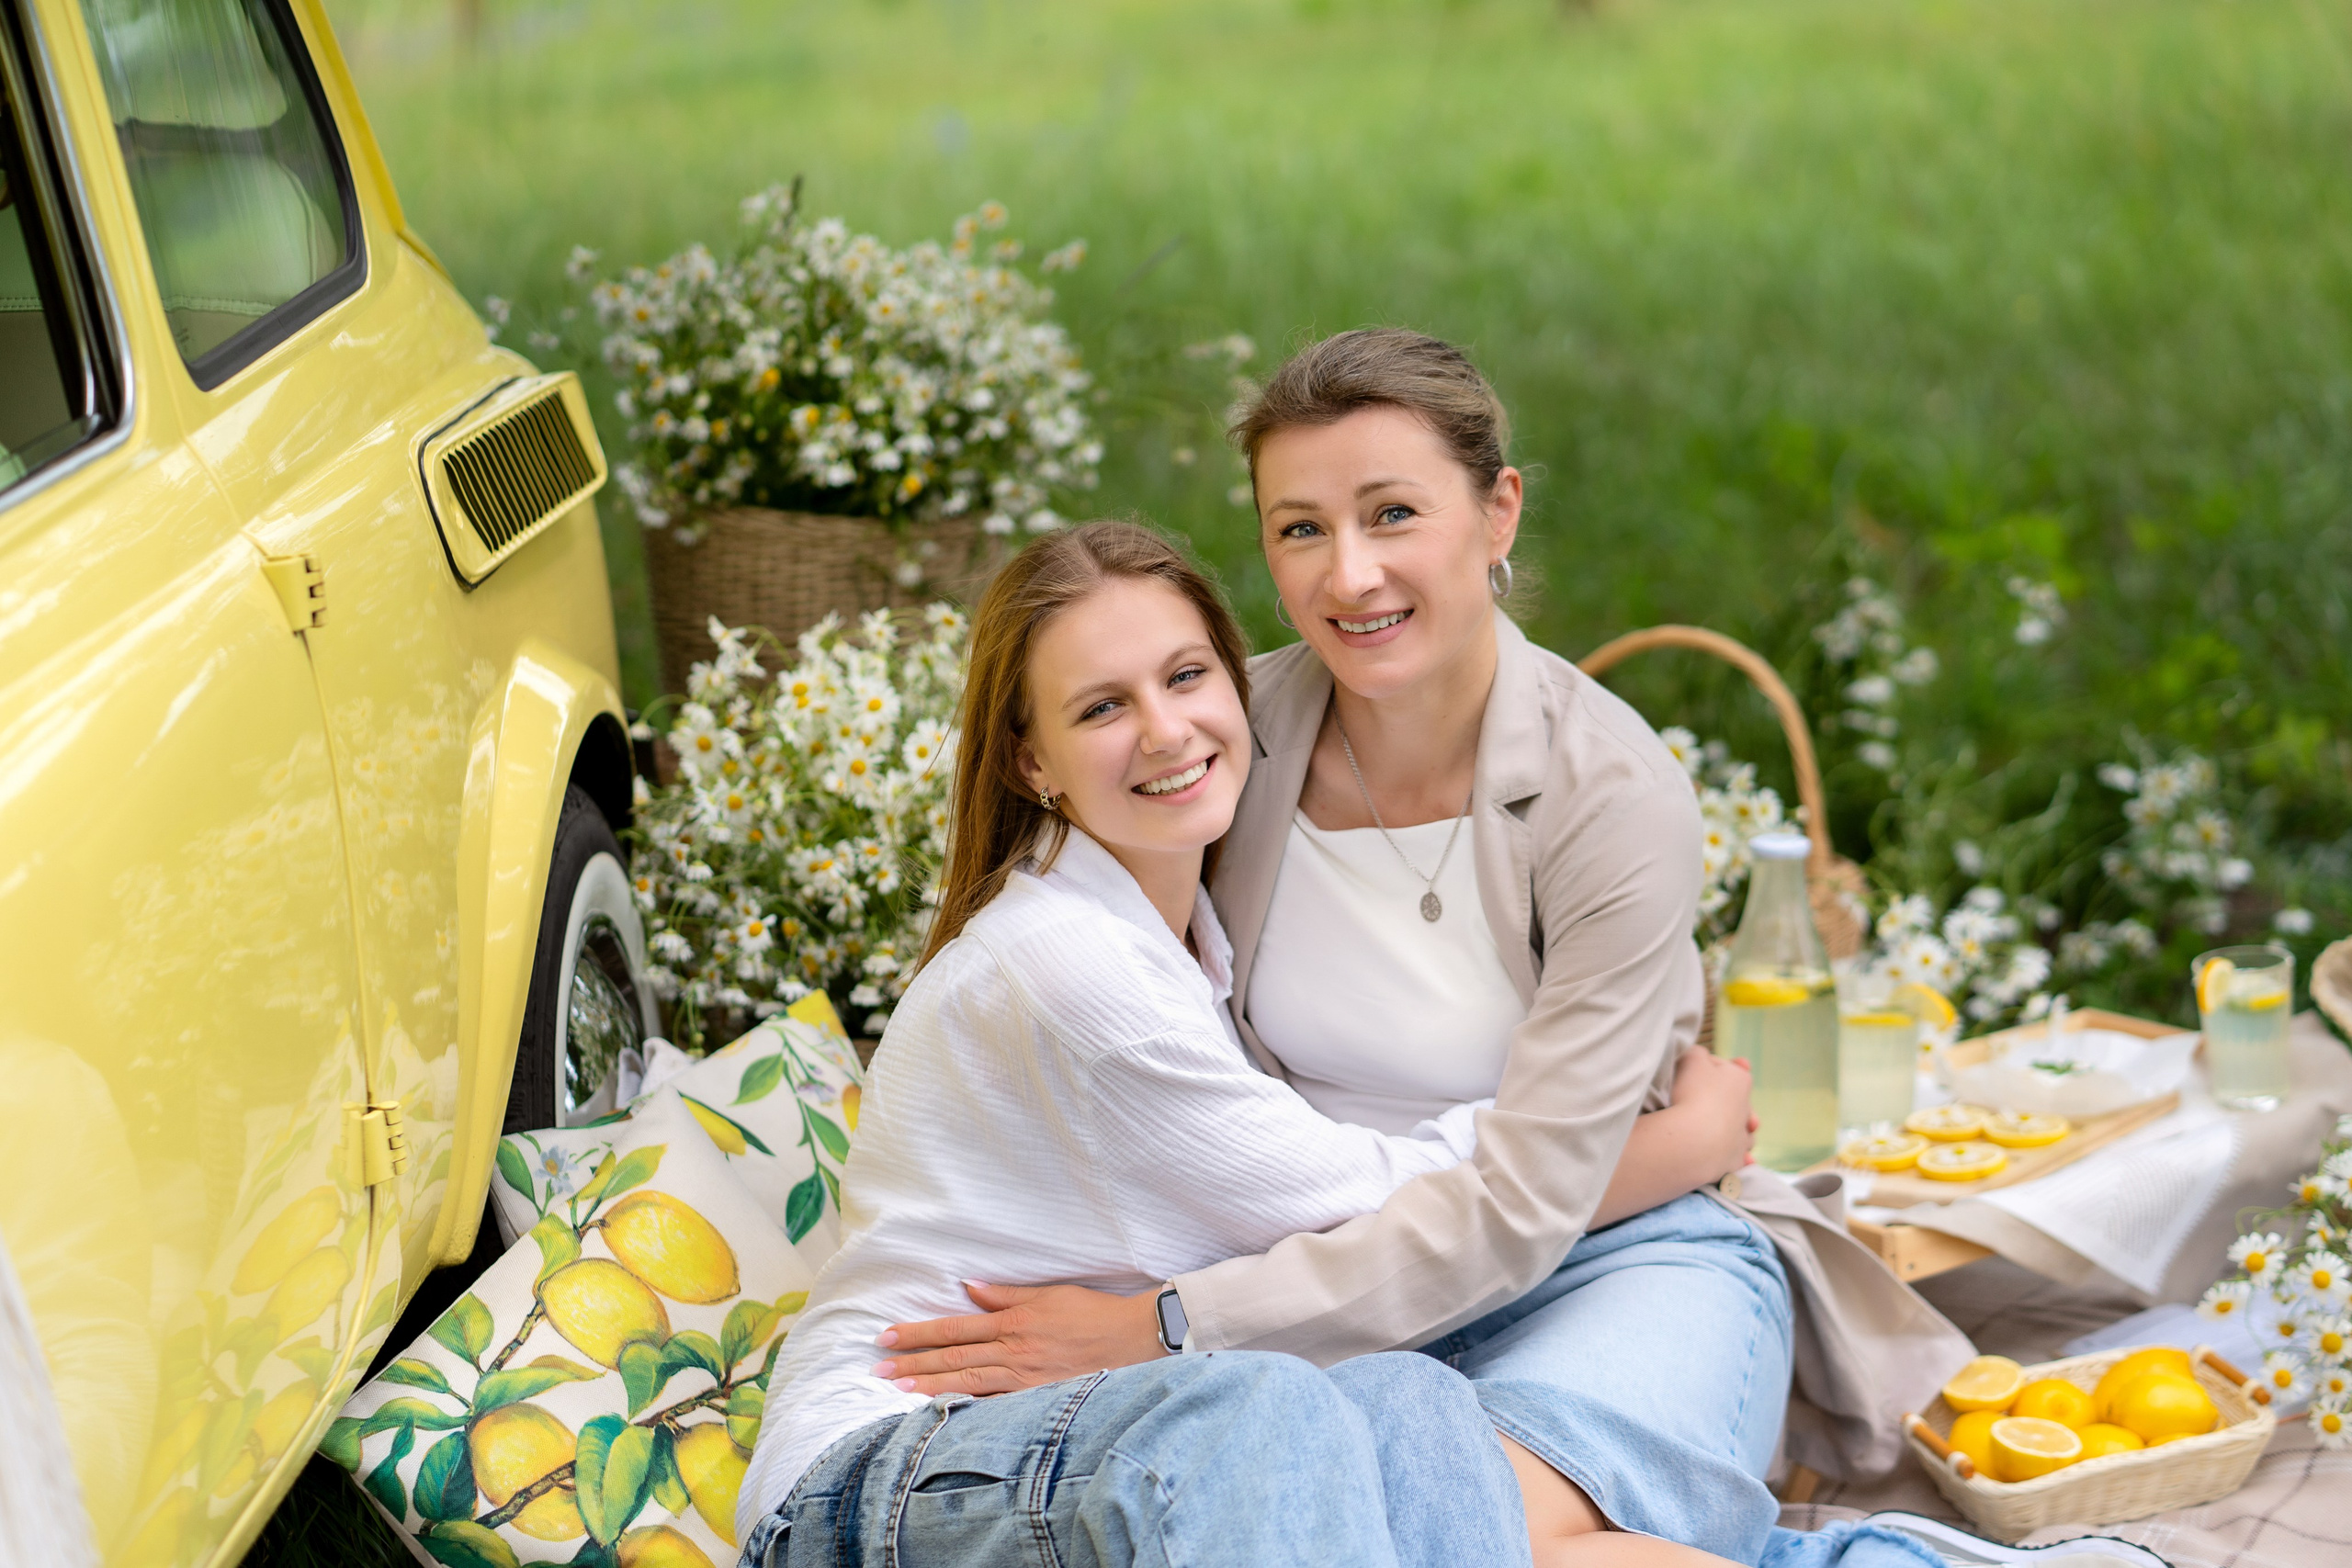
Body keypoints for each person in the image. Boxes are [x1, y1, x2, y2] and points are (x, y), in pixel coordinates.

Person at [865, 332, 1981, 1564]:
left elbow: (1528, 1201)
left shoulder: (1609, 791)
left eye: (1392, 512)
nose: (1350, 574)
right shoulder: (1220, 743)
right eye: (1300, 528)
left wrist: (1173, 1324)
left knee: (1472, 1540)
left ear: (1498, 511)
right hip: (1319, 1296)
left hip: (1610, 1257)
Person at [737, 520, 1762, 1568]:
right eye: (1103, 707)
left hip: (1072, 1444)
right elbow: (1366, 1193)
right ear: (1029, 759)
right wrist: (1673, 1142)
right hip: (875, 1484)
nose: (1166, 729)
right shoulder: (1065, 965)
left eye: (1186, 677)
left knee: (1405, 1403)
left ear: (1240, 690)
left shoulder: (1183, 937)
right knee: (1259, 1409)